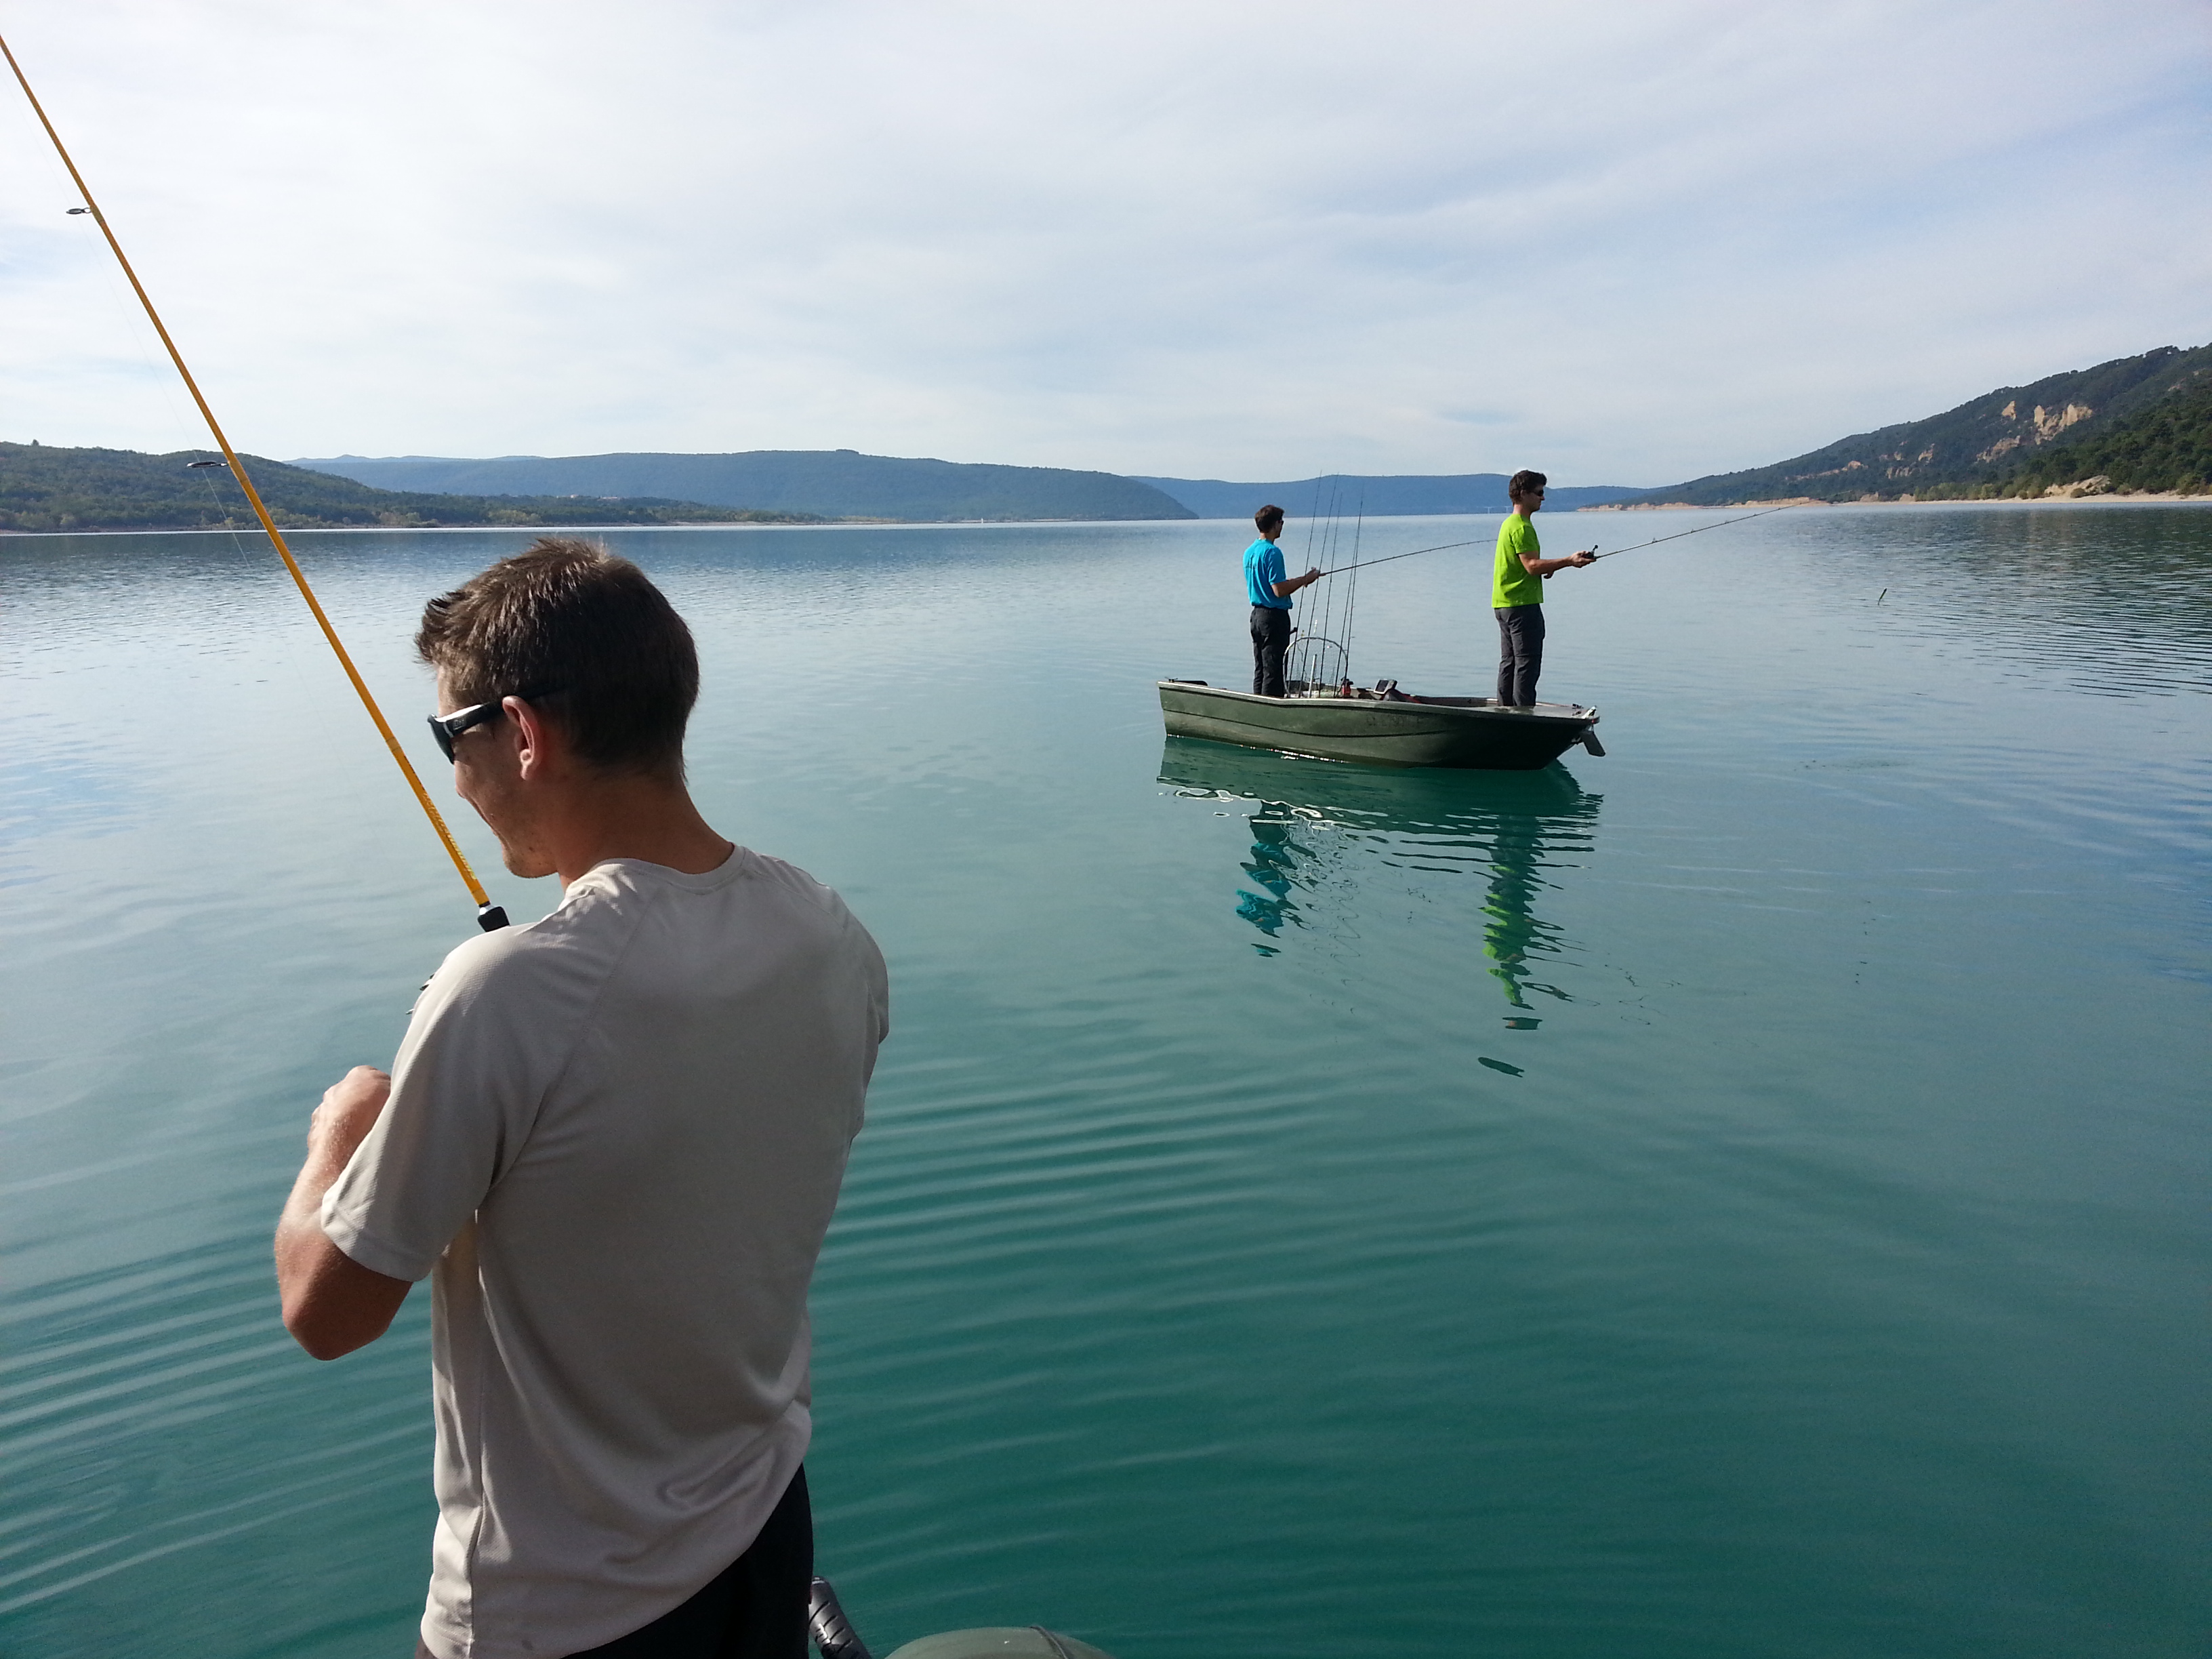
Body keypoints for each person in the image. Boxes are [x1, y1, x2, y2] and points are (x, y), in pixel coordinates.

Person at [272, 539, 889, 1659]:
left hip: (555, 1615)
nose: (455, 778)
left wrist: (340, 1132)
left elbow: (326, 1310)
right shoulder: (830, 933)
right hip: (761, 1541)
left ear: (520, 732)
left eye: (449, 739)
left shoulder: (504, 994)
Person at [1492, 469, 1595, 707]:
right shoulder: (1523, 527)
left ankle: (1504, 711)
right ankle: (1524, 716)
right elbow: (1531, 565)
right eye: (1539, 493)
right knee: (1527, 664)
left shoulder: (1509, 524)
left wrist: (1552, 566)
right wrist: (1569, 561)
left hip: (1503, 604)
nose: (1543, 498)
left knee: (1509, 662)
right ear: (1523, 494)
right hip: (1522, 606)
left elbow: (1525, 566)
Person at [1244, 504, 1321, 697]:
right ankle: (1271, 711)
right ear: (1275, 524)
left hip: (1256, 616)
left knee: (1261, 668)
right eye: (1281, 522)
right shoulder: (1272, 552)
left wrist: (1300, 580)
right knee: (1275, 670)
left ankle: (1258, 708)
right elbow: (1278, 590)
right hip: (1274, 618)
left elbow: (1269, 584)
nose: (1283, 525)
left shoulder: (1250, 551)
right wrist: (1306, 580)